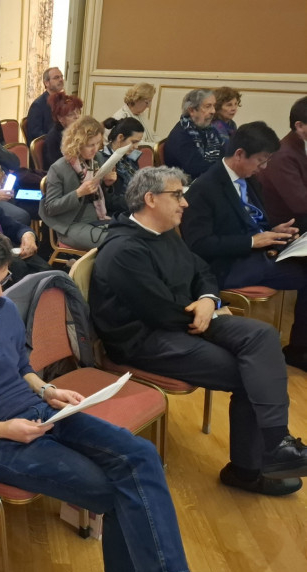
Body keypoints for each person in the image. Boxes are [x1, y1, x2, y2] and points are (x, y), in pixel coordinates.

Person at [0, 220, 221, 572]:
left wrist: (48, 389)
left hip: (39, 411)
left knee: (141, 455)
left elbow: (21, 366)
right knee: (118, 492)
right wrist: (4, 430)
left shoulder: (3, 310)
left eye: (3, 281)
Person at [90, 165, 307, 496]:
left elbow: (202, 270)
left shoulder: (164, 233)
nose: (185, 203)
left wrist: (208, 299)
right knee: (251, 373)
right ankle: (247, 471)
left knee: (263, 337)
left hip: (187, 319)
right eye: (177, 195)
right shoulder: (124, 250)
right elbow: (159, 311)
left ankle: (277, 443)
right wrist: (208, 311)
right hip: (145, 340)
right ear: (150, 199)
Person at [181, 121, 307, 372]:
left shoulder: (249, 180)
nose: (264, 167)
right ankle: (298, 350)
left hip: (256, 253)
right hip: (226, 265)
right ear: (239, 154)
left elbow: (254, 221)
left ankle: (299, 347)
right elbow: (198, 244)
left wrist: (274, 231)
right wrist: (252, 241)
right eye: (260, 160)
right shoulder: (204, 188)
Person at [40, 115, 117, 250]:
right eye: (90, 145)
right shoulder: (59, 168)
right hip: (70, 224)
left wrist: (107, 184)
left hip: (97, 218)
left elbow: (103, 197)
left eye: (98, 143)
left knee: (129, 236)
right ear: (77, 144)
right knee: (115, 243)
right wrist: (78, 193)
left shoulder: (97, 159)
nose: (95, 149)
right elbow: (51, 208)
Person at [259, 96, 307, 227]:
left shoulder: (300, 145)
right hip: (287, 226)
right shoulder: (282, 155)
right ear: (299, 126)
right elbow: (301, 203)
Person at [163, 89, 222, 180]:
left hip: (208, 178)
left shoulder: (210, 131)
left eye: (214, 106)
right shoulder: (181, 135)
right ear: (192, 110)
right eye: (208, 106)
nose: (213, 111)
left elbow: (223, 155)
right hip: (187, 183)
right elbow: (195, 169)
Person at [97, 117, 145, 216]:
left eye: (138, 142)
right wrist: (140, 203)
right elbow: (108, 201)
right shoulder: (103, 160)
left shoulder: (130, 158)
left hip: (135, 208)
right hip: (119, 214)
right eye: (133, 142)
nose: (136, 146)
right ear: (120, 137)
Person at [43, 92, 83, 170]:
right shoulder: (53, 138)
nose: (77, 117)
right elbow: (57, 167)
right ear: (60, 118)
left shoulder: (78, 131)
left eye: (78, 112)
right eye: (71, 114)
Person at [25, 67, 65, 142]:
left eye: (61, 77)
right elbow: (36, 134)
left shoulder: (63, 100)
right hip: (48, 145)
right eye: (56, 78)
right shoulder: (38, 106)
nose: (61, 80)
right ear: (46, 83)